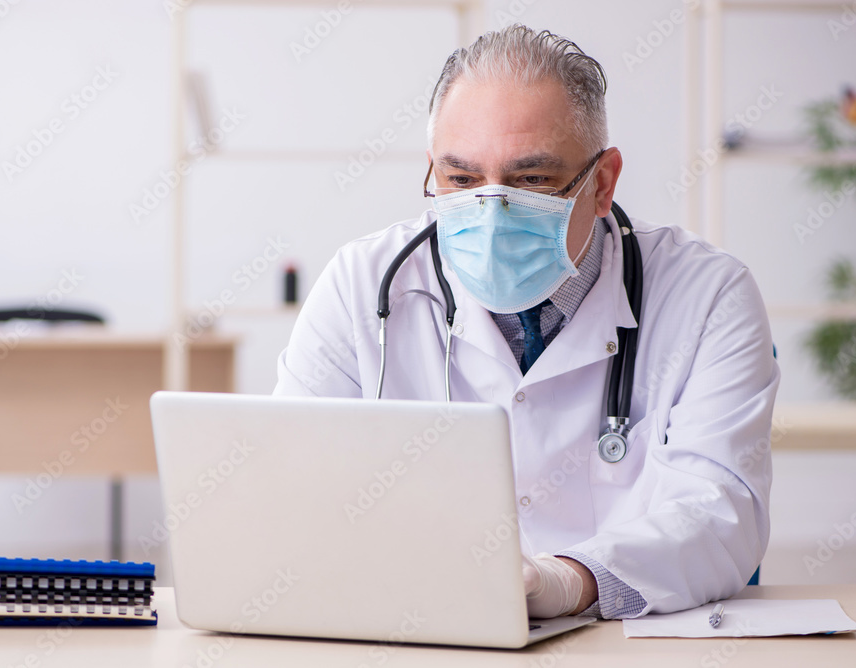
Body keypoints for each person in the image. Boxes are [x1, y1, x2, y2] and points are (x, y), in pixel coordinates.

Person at [273, 24, 779, 619]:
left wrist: (570, 581)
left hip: (624, 644)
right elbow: (289, 491)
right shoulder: (362, 284)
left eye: (531, 180)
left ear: (602, 183)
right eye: (462, 180)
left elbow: (722, 514)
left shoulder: (708, 295)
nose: (491, 213)